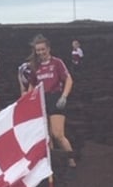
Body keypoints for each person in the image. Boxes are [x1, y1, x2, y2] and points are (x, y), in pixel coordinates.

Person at [27, 35, 77, 172]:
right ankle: (54, 164)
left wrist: (64, 97)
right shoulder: (34, 66)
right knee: (47, 136)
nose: (41, 52)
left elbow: (68, 80)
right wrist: (28, 99)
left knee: (58, 134)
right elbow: (32, 85)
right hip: (41, 101)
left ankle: (71, 160)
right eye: (38, 50)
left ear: (48, 49)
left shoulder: (57, 63)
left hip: (56, 99)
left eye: (43, 49)